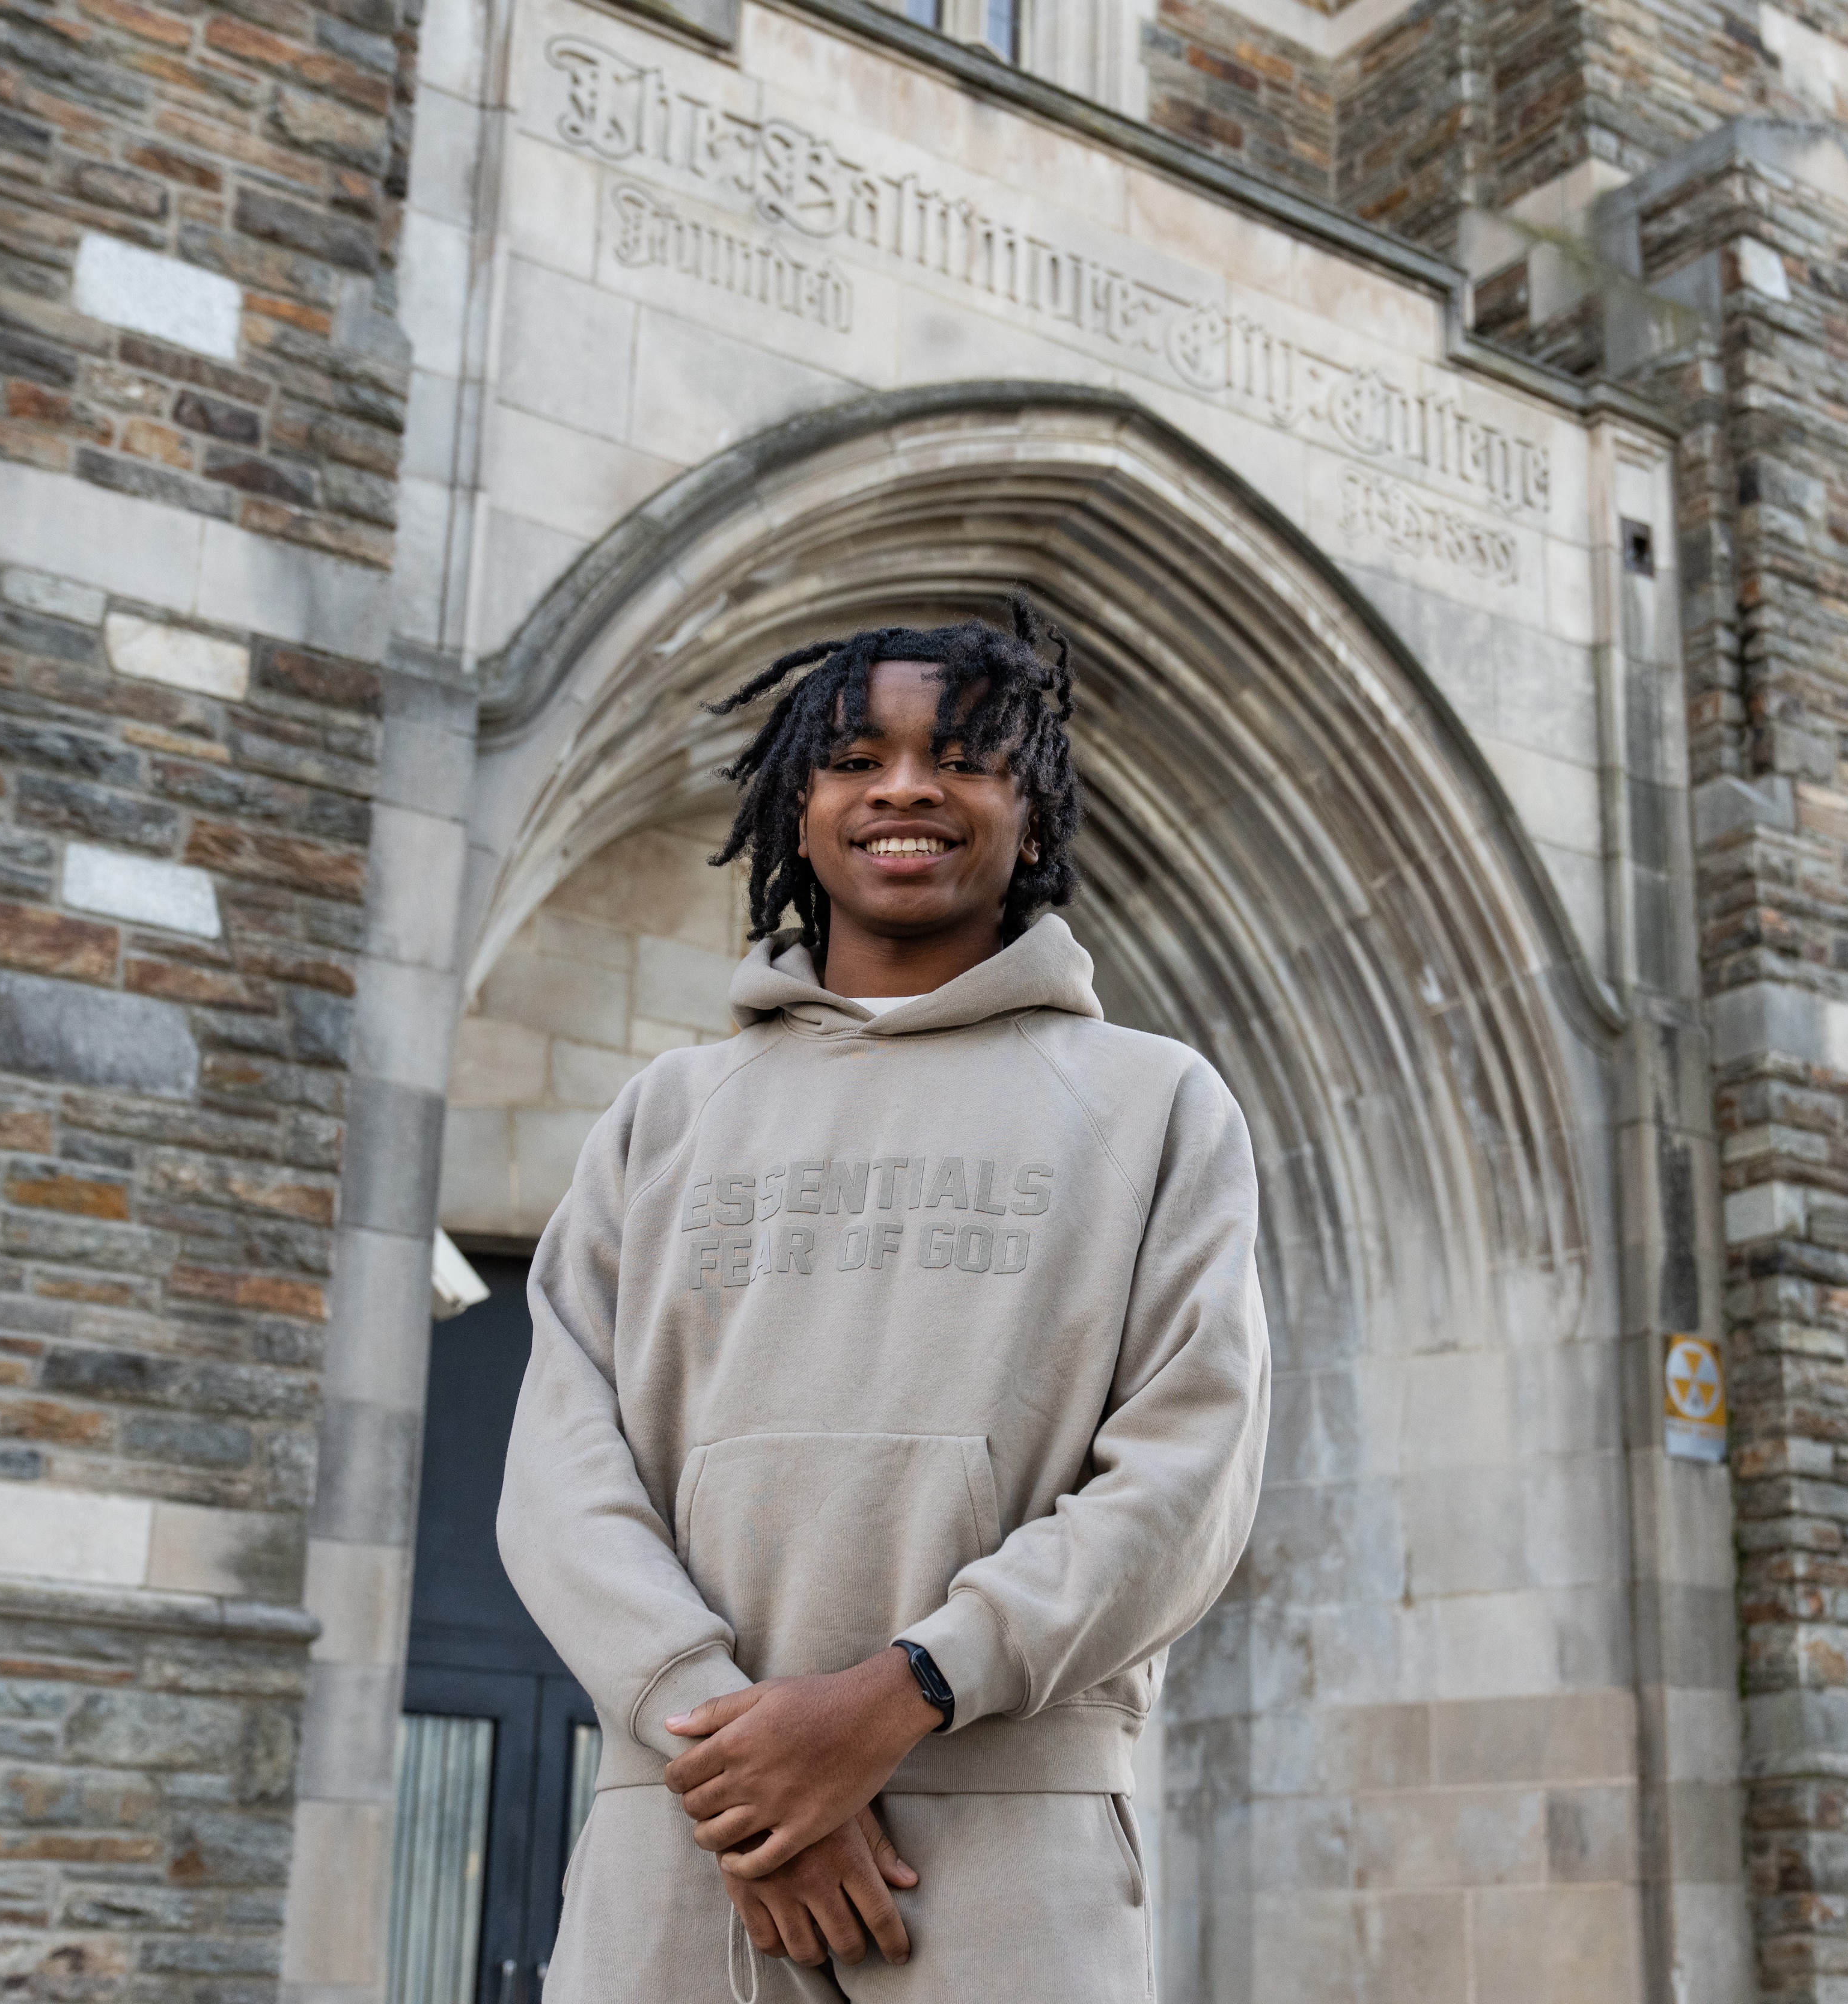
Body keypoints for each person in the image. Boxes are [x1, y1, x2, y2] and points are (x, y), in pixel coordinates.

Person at [499, 598, 1270, 2002]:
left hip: (1009, 1833)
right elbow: (558, 1474)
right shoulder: (662, 1115)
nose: (905, 786)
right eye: (855, 758)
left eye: (962, 757)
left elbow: (1186, 1477)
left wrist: (901, 1691)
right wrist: (739, 1768)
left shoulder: (1156, 1104)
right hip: (682, 1833)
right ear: (799, 813)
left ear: (1033, 818)